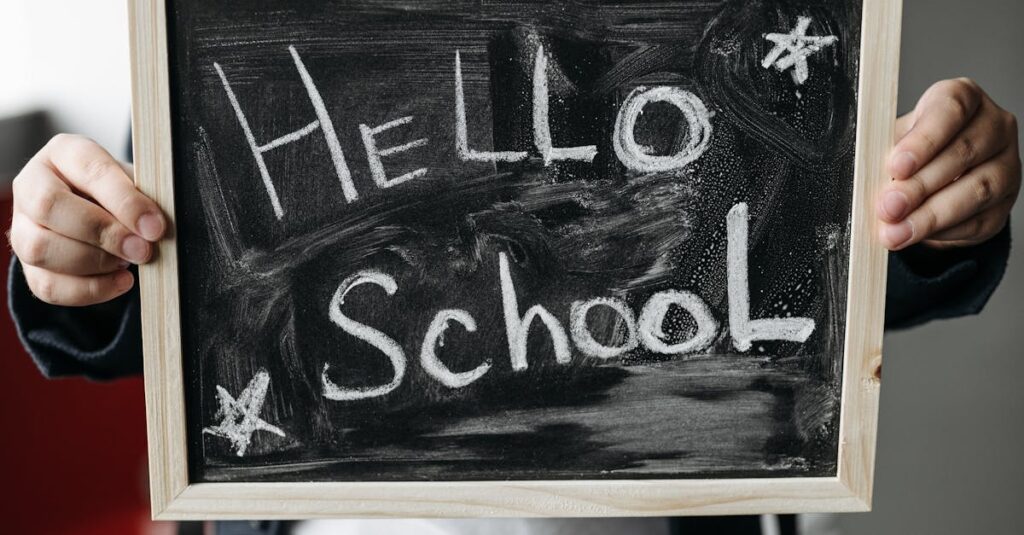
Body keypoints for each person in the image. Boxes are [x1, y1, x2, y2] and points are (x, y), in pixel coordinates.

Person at [5, 76, 1019, 535]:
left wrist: (925, 217)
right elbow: (187, 301)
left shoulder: (702, 31)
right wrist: (80, 256)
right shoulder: (242, 39)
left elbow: (779, 274)